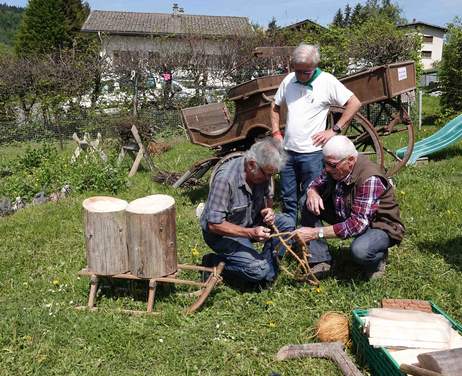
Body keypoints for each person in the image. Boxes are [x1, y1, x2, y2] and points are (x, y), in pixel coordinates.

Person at [270, 43, 361, 227]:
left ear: (315, 67)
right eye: (298, 71)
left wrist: (334, 129)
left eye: (306, 72)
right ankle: (287, 240)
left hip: (312, 154)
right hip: (287, 152)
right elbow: (274, 105)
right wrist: (275, 132)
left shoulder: (327, 81)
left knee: (309, 201)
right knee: (288, 200)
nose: (301, 76)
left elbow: (354, 103)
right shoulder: (288, 80)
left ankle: (312, 248)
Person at [295, 135, 405, 279]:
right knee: (306, 201)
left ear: (351, 161)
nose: (327, 169)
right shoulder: (335, 165)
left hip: (378, 226)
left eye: (332, 165)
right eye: (325, 163)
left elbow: (357, 224)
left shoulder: (370, 178)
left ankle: (378, 258)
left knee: (360, 250)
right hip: (347, 212)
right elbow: (316, 182)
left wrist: (315, 233)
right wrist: (312, 191)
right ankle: (320, 259)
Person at [200, 138, 294, 286]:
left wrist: (268, 211)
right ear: (251, 165)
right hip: (222, 235)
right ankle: (212, 263)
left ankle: (266, 274)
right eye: (268, 174)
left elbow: (267, 198)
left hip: (251, 223)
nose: (270, 179)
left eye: (272, 175)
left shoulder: (264, 171)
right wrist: (250, 233)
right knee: (257, 270)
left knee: (287, 222)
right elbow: (214, 225)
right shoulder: (225, 179)